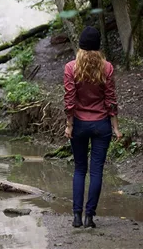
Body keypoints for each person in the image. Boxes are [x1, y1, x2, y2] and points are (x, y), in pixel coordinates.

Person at [64, 26, 122, 228]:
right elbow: (110, 100)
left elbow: (69, 100)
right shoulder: (107, 67)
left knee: (80, 169)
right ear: (98, 47)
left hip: (79, 124)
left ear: (80, 46)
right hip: (101, 125)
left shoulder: (71, 67)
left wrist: (69, 125)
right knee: (96, 171)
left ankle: (77, 217)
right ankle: (90, 217)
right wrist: (115, 127)